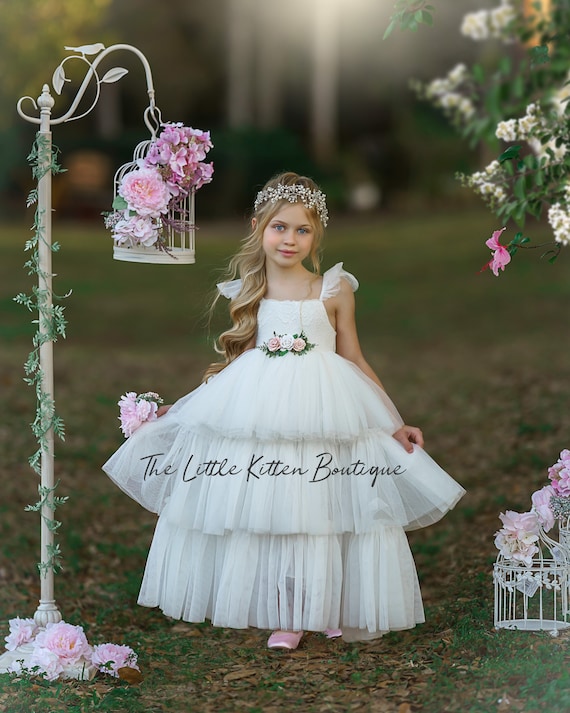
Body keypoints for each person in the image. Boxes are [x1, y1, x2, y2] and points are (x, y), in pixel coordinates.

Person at [103, 171, 465, 649]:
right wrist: (183, 408)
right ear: (258, 227)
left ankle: (330, 606)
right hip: (265, 413)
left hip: (326, 411)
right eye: (279, 227)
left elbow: (353, 357)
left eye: (302, 229)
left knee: (327, 507)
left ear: (316, 235)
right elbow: (234, 368)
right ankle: (289, 613)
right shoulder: (250, 292)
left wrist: (394, 422)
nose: (289, 239)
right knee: (277, 510)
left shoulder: (334, 290)